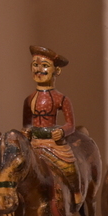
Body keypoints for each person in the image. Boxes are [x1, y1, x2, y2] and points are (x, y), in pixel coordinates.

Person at [22, 45, 82, 205]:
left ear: (57, 71)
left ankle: (76, 192)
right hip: (35, 142)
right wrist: (26, 132)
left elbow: (71, 125)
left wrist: (62, 132)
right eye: (35, 65)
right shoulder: (29, 100)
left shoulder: (61, 99)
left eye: (45, 66)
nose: (39, 69)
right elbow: (26, 124)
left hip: (53, 143)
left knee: (69, 163)